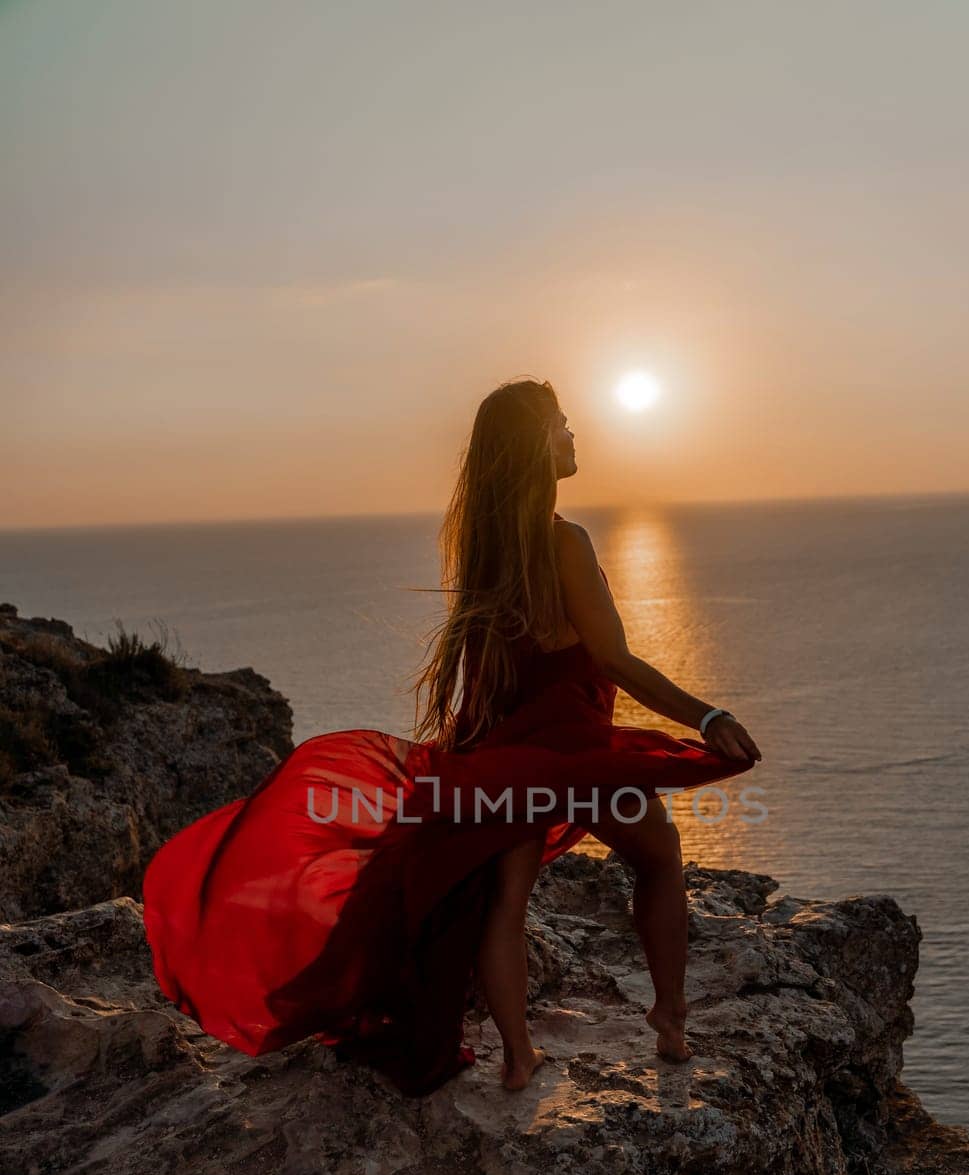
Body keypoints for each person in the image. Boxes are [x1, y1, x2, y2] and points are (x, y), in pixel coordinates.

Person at [141, 377, 761, 1098]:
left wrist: (469, 758)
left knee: (506, 901)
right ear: (536, 446)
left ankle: (519, 1056)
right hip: (570, 755)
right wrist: (708, 718)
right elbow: (615, 658)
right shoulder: (564, 541)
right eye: (561, 425)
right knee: (659, 859)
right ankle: (671, 1019)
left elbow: (488, 674)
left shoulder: (486, 548)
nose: (573, 435)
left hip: (505, 755)